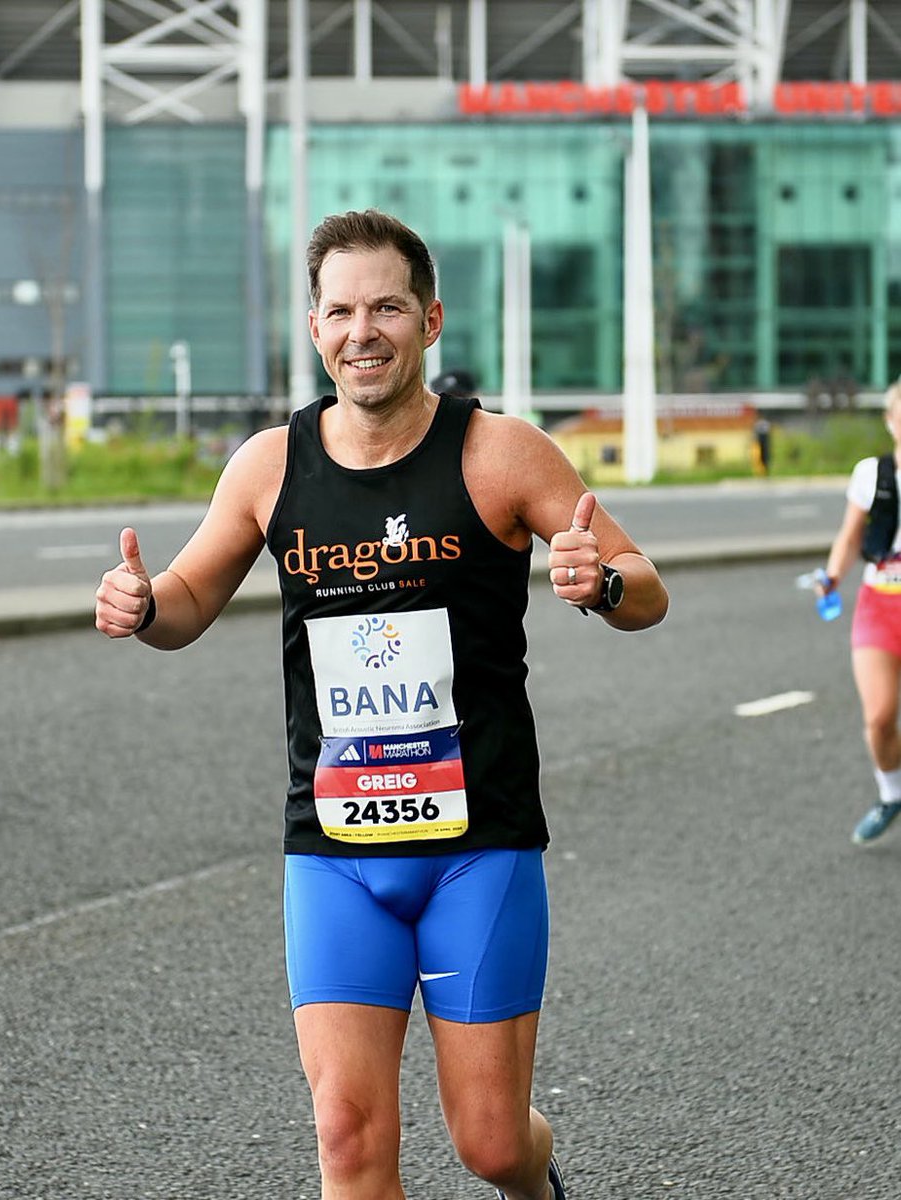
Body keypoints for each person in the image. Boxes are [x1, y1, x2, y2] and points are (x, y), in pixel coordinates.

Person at [96, 209, 669, 1199]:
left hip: (475, 845)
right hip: (336, 852)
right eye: (341, 310)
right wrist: (141, 606)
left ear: (431, 319)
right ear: (315, 329)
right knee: (348, 1139)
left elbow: (642, 583)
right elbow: (187, 603)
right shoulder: (269, 467)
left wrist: (601, 583)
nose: (364, 329)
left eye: (388, 307)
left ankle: (537, 1183)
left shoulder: (500, 453)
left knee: (491, 1143)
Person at [818, 380, 901, 845]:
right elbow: (850, 536)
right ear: (891, 422)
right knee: (880, 717)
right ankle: (891, 794)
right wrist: (832, 577)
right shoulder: (873, 474)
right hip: (880, 603)